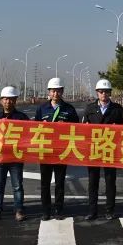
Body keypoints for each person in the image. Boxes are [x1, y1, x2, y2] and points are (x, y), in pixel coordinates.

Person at [34, 77, 79, 221]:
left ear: (62, 91)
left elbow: (77, 129)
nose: (55, 93)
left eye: (58, 90)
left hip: (61, 151)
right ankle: (45, 210)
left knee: (59, 182)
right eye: (53, 91)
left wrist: (64, 127)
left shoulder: (69, 109)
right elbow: (34, 128)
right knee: (45, 183)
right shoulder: (42, 109)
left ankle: (59, 209)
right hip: (45, 151)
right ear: (49, 92)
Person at [82, 78, 123, 221]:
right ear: (97, 93)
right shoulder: (90, 108)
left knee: (110, 181)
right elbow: (83, 128)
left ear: (110, 93)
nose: (104, 94)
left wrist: (117, 128)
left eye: (106, 92)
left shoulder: (117, 109)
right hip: (94, 149)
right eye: (101, 92)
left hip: (110, 149)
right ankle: (92, 210)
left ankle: (110, 210)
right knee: (92, 181)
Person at [0, 86, 30, 222]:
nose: (8, 102)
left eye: (11, 99)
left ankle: (19, 209)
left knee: (17, 185)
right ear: (1, 101)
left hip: (16, 157)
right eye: (5, 99)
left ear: (15, 100)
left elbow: (29, 136)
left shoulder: (22, 118)